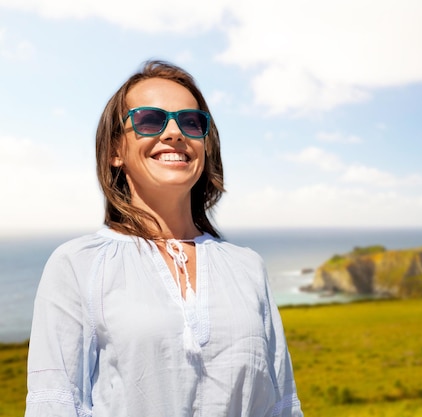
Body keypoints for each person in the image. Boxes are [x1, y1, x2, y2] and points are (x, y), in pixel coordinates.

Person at [25, 60, 303, 417]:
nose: (174, 132)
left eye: (191, 122)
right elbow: (55, 404)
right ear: (115, 151)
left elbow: (280, 406)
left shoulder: (246, 267)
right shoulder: (78, 264)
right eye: (149, 119)